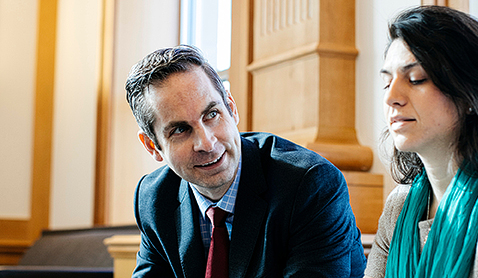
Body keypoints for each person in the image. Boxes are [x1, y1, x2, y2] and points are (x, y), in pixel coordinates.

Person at [125, 45, 366, 277]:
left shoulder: (309, 185)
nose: (207, 144)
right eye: (180, 130)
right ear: (152, 146)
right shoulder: (154, 197)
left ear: (231, 107)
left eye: (212, 115)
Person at [365, 5, 478, 278]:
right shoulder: (399, 206)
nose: (392, 97)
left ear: (469, 95)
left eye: (416, 79)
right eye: (386, 81)